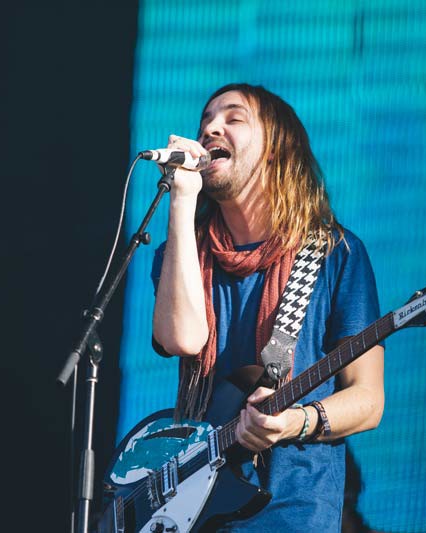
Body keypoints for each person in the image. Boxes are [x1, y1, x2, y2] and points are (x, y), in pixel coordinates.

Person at [150, 83, 385, 531]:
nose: (210, 128)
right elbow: (182, 338)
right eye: (206, 121)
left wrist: (292, 423)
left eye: (233, 118)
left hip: (290, 509)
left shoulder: (334, 254)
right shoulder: (180, 253)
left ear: (277, 150)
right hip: (193, 508)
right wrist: (181, 201)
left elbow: (368, 400)